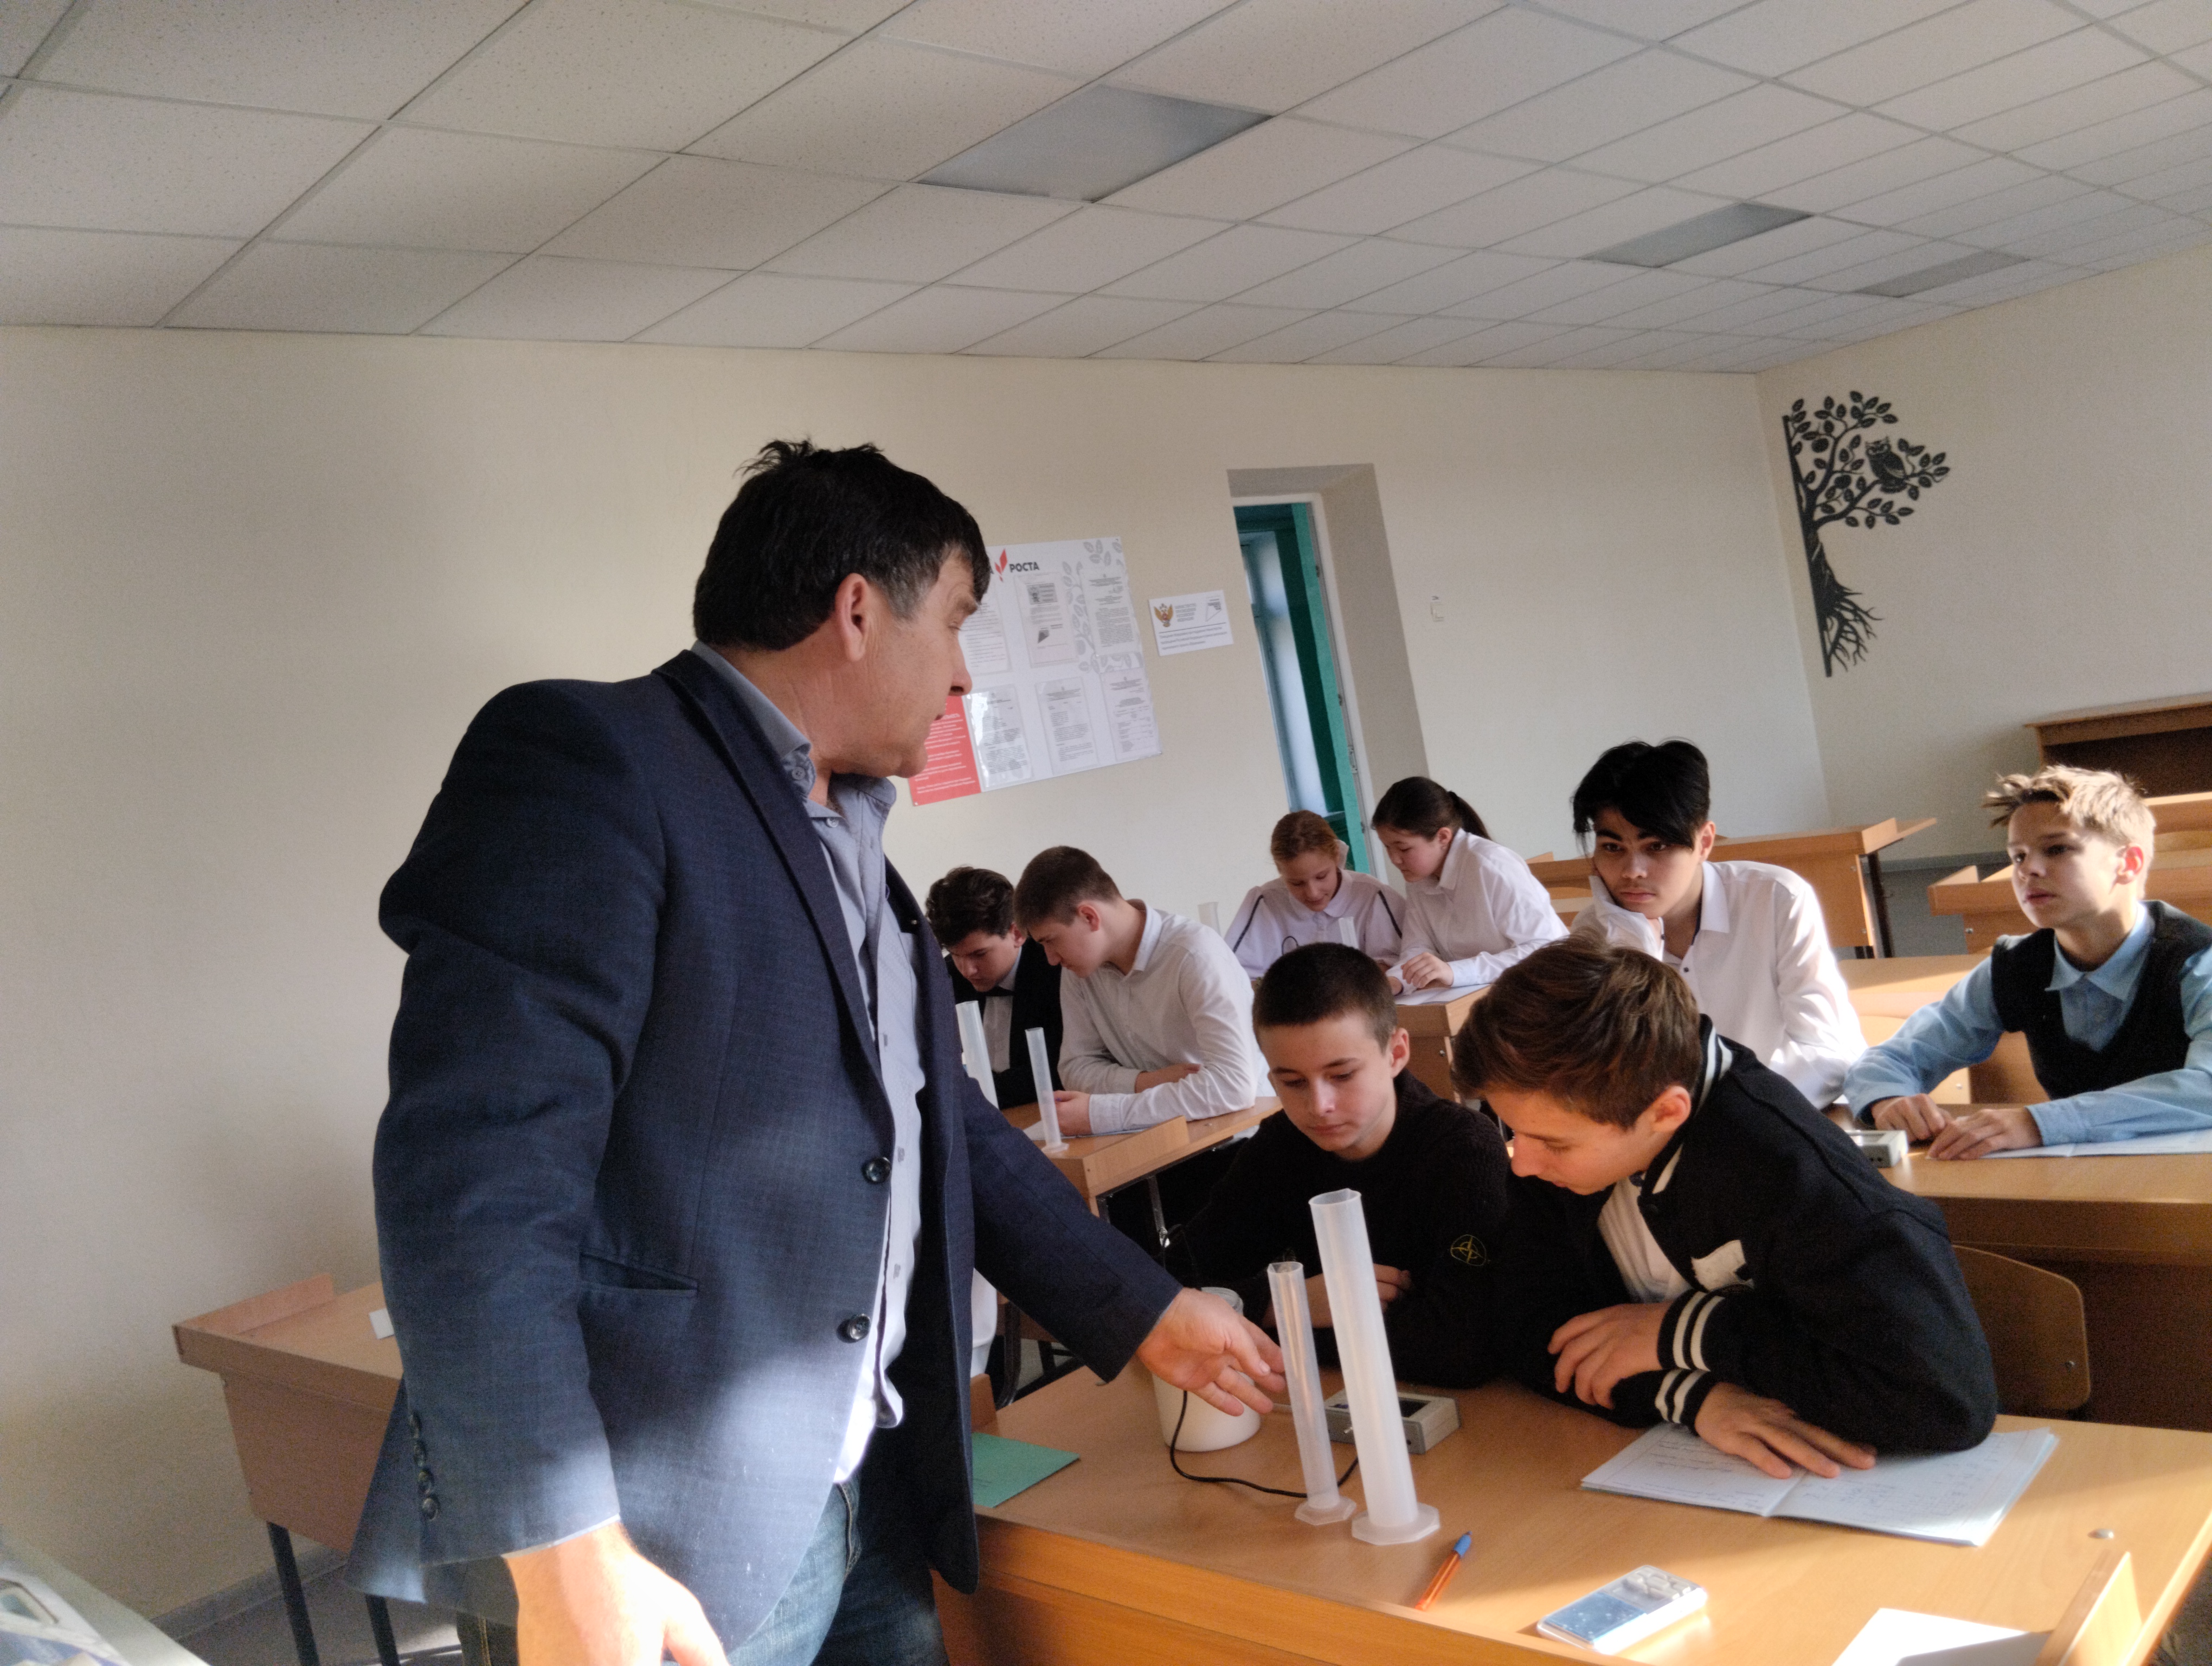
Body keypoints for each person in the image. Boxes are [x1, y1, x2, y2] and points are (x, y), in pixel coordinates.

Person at [350, 440, 1284, 1666]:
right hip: (659, 1532)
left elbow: (938, 1126)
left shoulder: (854, 847)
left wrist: (1142, 1306)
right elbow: (476, 1181)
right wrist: (564, 1543)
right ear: (856, 610)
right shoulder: (592, 759)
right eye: (955, 621)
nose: (962, 675)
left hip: (869, 1480)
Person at [1458, 938, 1995, 1475]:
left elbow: (1945, 1399)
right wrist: (1687, 1395)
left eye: (1552, 1144)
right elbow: (1526, 1326)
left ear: (1665, 1113)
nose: (1522, 1164)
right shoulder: (1567, 1120)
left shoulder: (1789, 1170)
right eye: (1511, 1131)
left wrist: (1682, 1333)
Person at [1168, 944, 1508, 1387]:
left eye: (1343, 1075)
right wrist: (1287, 1302)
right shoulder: (1279, 1147)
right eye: (1293, 1082)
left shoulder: (1464, 1150)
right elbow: (1173, 1288)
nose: (1319, 1106)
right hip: (1328, 1392)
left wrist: (1278, 1321)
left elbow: (1461, 1345)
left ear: (1396, 1053)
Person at [1848, 766, 2212, 1159]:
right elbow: (1892, 1058)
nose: (2027, 870)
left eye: (2057, 849)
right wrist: (1887, 1099)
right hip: (2082, 1177)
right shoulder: (2016, 965)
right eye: (2018, 856)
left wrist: (2041, 1122)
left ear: (2129, 863)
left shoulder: (2197, 959)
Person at [1567, 740, 1863, 1106]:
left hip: (1774, 1114)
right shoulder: (1594, 932)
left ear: (1704, 842)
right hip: (1667, 1127)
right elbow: (1606, 1072)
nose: (1632, 871)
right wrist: (1634, 953)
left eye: (1656, 846)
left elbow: (1826, 1051)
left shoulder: (1775, 899)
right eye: (1612, 848)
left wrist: (1731, 1110)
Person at [1013, 845, 1265, 1137]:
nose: (1050, 959)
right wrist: (1147, 1081)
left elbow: (1233, 1086)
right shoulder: (1079, 971)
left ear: (1089, 917)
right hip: (1155, 1142)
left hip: (1238, 1136)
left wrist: (1103, 1114)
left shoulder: (1195, 954)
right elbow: (1075, 1069)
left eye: (1051, 940)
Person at [1369, 776, 1565, 992]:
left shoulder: (1490, 865)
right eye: (1387, 848)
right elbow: (1418, 949)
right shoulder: (1419, 877)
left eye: (1404, 848)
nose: (1395, 859)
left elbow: (1544, 948)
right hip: (1483, 996)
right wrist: (1396, 982)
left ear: (1443, 837)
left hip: (1543, 992)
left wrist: (1455, 972)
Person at [924, 866, 1060, 1110]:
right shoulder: (946, 978)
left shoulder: (1056, 971)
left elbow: (1056, 1071)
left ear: (1017, 933)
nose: (967, 970)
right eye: (956, 955)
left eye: (980, 954)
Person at [1224, 810, 1402, 976]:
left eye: (1321, 877)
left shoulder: (1373, 896)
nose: (1313, 893)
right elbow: (1236, 975)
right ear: (1280, 870)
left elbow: (1400, 964)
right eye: (1297, 883)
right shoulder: (1266, 901)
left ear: (1336, 857)